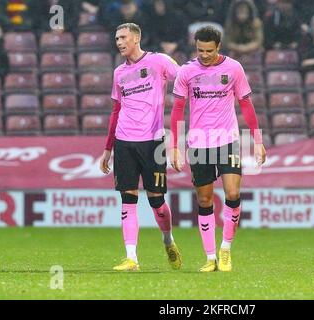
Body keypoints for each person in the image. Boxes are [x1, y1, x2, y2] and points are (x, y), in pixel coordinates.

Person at [170, 26, 266, 272]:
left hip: (227, 140)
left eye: (209, 51)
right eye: (200, 50)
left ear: (218, 47)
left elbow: (245, 103)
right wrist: (174, 145)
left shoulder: (233, 68)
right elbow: (178, 109)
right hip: (199, 142)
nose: (204, 55)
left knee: (232, 194)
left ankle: (225, 249)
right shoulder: (186, 71)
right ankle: (210, 257)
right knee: (204, 200)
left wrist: (258, 140)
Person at [99, 23, 182, 272]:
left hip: (152, 141)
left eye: (123, 37)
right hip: (124, 141)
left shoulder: (158, 62)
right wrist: (108, 148)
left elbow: (184, 78)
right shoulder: (118, 73)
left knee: (156, 201)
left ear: (136, 38)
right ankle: (131, 258)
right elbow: (116, 110)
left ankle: (168, 240)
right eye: (116, 38)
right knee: (128, 199)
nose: (119, 42)